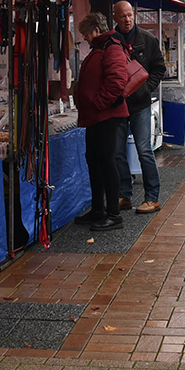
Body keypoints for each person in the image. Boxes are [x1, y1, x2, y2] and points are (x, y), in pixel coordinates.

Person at [73, 12, 130, 231]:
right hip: (97, 116)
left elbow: (116, 81)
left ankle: (113, 214)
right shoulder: (102, 47)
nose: (85, 38)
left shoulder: (111, 47)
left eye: (86, 34)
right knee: (95, 161)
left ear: (96, 30)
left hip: (105, 115)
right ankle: (98, 209)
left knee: (106, 162)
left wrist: (97, 103)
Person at [111, 0, 167, 214]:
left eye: (129, 15)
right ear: (115, 17)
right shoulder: (111, 41)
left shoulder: (148, 39)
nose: (127, 19)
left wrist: (146, 89)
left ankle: (152, 197)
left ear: (134, 15)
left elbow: (159, 69)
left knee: (144, 150)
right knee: (117, 152)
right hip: (117, 106)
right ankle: (124, 195)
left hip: (141, 104)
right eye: (122, 16)